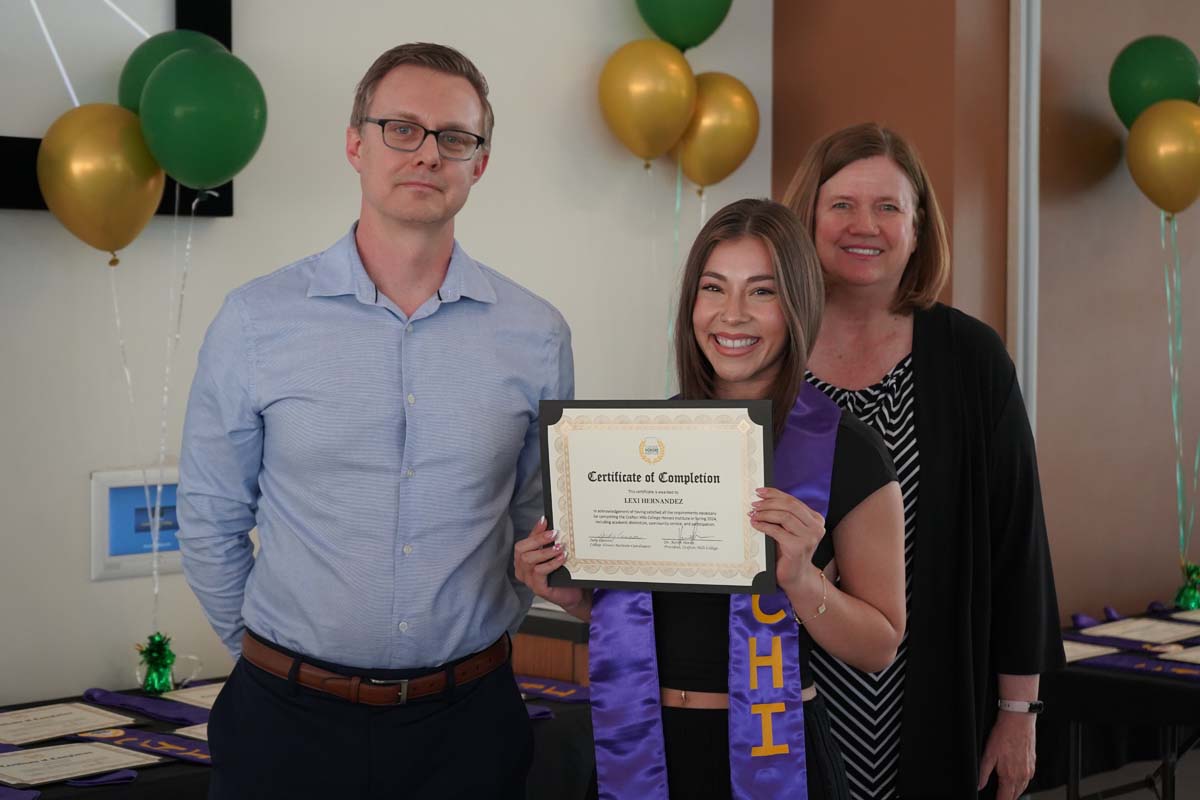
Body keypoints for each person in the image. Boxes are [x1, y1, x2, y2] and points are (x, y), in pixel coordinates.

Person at [177, 42, 573, 800]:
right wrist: (276, 658)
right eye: (401, 128)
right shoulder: (257, 320)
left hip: (468, 729)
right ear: (355, 142)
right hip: (283, 725)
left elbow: (530, 515)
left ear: (479, 163)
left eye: (453, 137)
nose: (427, 153)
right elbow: (209, 516)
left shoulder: (537, 334)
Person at [515, 198, 906, 799]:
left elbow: (880, 646)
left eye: (762, 292)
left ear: (797, 305)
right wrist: (573, 596)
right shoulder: (644, 441)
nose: (732, 315)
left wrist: (803, 579)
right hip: (646, 747)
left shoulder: (848, 451)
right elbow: (657, 621)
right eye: (714, 288)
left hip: (778, 756)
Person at [782, 123, 1064, 800]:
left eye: (888, 207)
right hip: (779, 694)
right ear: (808, 217)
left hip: (931, 696)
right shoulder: (767, 352)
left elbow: (1016, 544)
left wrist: (1018, 711)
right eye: (842, 204)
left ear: (917, 227)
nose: (865, 225)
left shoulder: (971, 359)